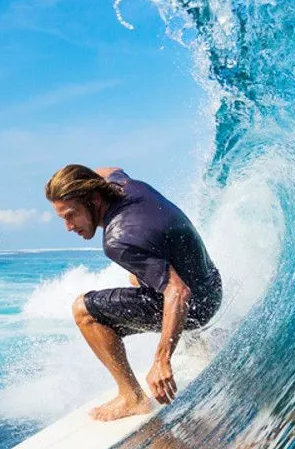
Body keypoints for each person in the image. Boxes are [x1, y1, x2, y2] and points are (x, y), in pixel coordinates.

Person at [45, 164, 223, 420]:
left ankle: (132, 398)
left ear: (94, 200)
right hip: (211, 284)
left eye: (71, 215)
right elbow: (110, 169)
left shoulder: (118, 241)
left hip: (197, 307)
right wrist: (73, 181)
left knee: (83, 311)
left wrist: (162, 360)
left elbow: (178, 291)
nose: (68, 226)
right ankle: (196, 339)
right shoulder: (123, 185)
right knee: (137, 274)